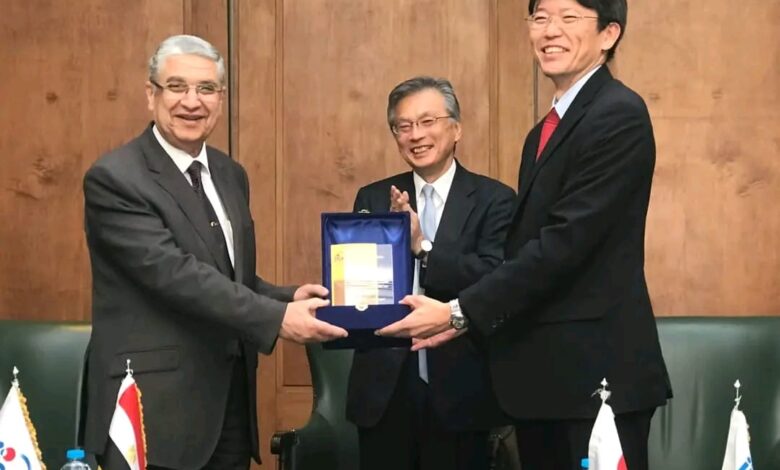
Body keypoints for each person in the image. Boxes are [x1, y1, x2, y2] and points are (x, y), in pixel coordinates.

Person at [378, 1, 672, 469]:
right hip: (545, 385)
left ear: (609, 34)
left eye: (569, 18)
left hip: (596, 382)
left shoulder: (619, 114)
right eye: (540, 18)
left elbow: (563, 246)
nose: (550, 31)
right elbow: (522, 253)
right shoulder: (542, 132)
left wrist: (457, 312)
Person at [82, 34, 346, 470]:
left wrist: (286, 297)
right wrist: (277, 317)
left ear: (221, 99)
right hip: (152, 412)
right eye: (177, 87)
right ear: (151, 94)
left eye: (206, 88)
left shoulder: (229, 173)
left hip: (227, 407)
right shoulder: (116, 178)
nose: (192, 101)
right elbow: (175, 275)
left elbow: (223, 274)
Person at [347, 76, 515, 470]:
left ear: (456, 129)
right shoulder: (374, 197)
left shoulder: (495, 200)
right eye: (403, 126)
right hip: (385, 391)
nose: (415, 135)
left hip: (463, 390)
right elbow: (359, 288)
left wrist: (422, 245)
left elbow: (495, 281)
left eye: (427, 122)